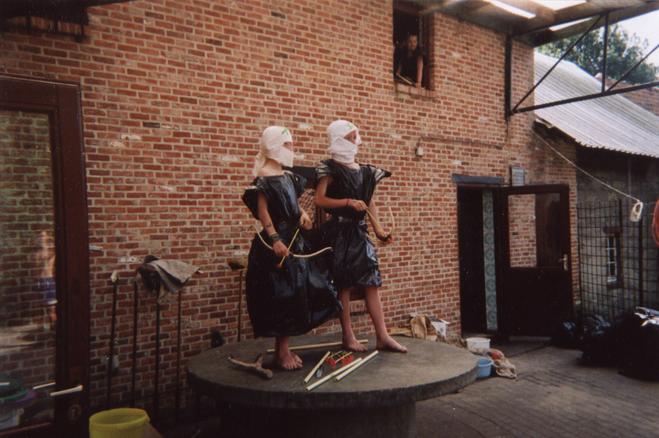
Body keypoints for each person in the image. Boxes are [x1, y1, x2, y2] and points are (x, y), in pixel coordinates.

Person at [242, 126, 341, 370]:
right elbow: (264, 213)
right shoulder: (264, 177)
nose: (291, 149)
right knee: (282, 295)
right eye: (287, 144)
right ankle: (282, 352)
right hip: (276, 244)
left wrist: (302, 214)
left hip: (294, 242)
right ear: (273, 145)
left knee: (298, 292)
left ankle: (283, 349)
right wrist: (275, 239)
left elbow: (293, 204)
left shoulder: (288, 176)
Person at [314, 120, 406, 353]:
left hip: (359, 232)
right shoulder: (329, 168)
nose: (354, 141)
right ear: (338, 139)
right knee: (343, 284)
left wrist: (379, 230)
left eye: (355, 136)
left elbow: (370, 202)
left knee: (371, 281)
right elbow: (319, 199)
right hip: (339, 233)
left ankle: (383, 336)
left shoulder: (364, 171)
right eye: (350, 137)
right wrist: (347, 202)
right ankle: (348, 336)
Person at [34, 230, 57, 329]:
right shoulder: (38, 252)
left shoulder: (51, 250)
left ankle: (55, 327)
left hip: (49, 280)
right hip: (41, 280)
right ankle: (47, 327)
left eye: (43, 236)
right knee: (43, 307)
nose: (41, 238)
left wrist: (45, 245)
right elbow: (36, 267)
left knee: (51, 308)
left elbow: (47, 257)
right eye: (40, 236)